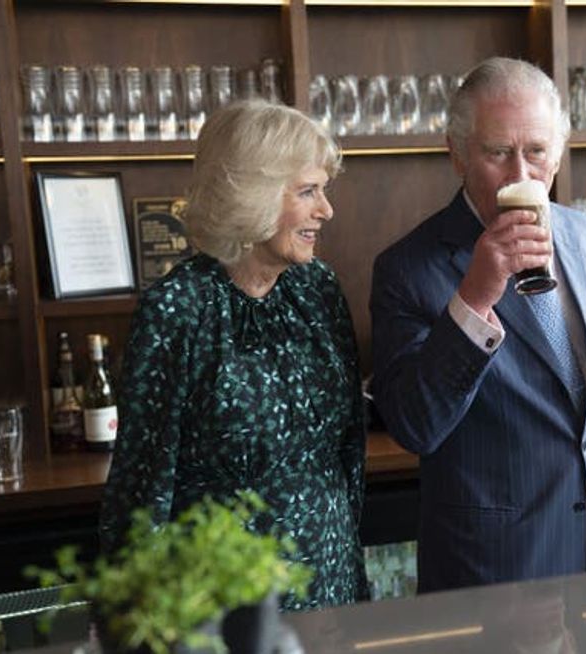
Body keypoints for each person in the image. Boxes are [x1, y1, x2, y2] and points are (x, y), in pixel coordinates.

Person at [370, 57, 586, 593]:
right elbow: (415, 426)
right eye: (497, 153)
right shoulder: (406, 267)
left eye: (536, 151)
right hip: (494, 574)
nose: (520, 175)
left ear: (557, 152)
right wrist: (475, 294)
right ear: (457, 155)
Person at [99, 99, 368, 610]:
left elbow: (347, 451)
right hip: (226, 603)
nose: (326, 210)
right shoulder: (178, 309)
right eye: (308, 191)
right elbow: (142, 485)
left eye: (323, 190)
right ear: (254, 195)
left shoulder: (319, 289)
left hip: (332, 585)